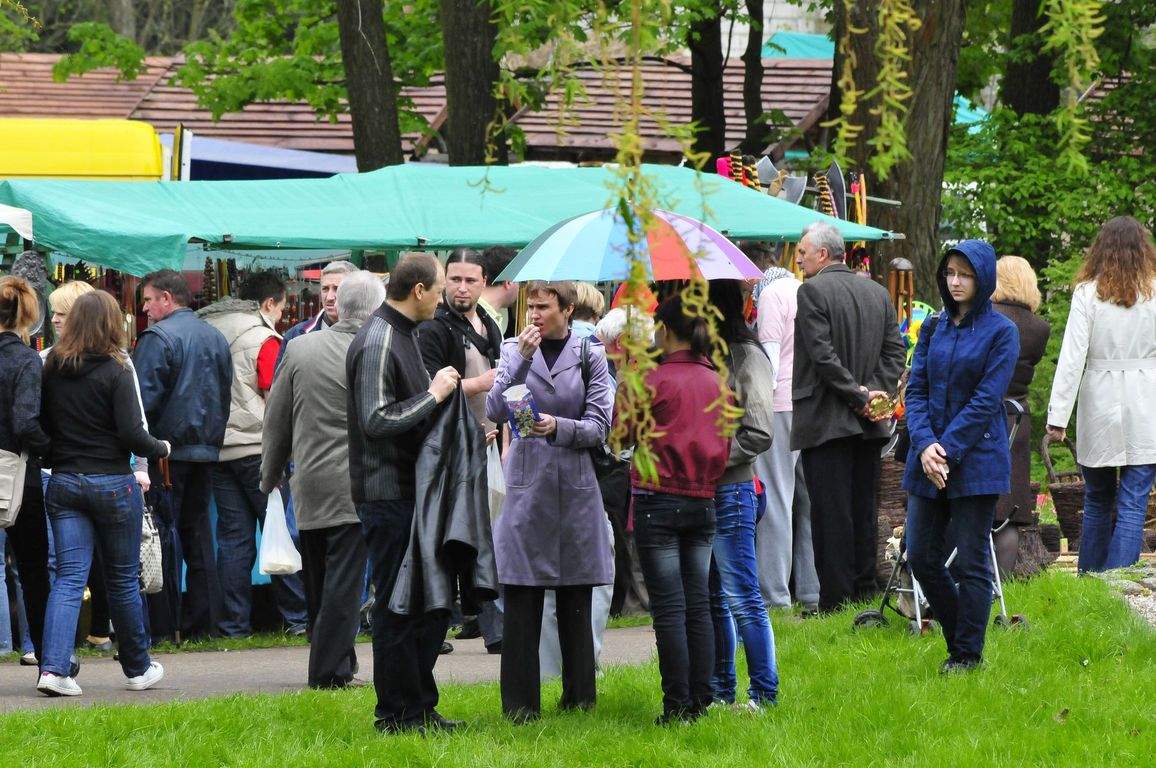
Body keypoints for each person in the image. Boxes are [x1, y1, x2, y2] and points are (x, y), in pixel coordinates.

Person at [485, 280, 613, 723]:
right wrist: (520, 359)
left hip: (575, 482)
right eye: (531, 306)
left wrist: (558, 427)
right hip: (527, 484)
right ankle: (520, 707)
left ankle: (580, 700)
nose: (535, 315)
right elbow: (494, 410)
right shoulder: (512, 349)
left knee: (576, 592)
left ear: (568, 309)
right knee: (522, 594)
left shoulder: (589, 353)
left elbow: (600, 425)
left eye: (543, 307)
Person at [347, 253, 462, 734]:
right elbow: (376, 419)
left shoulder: (405, 333)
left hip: (411, 492)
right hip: (387, 494)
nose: (443, 296)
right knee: (398, 607)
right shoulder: (378, 338)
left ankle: (418, 707)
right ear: (418, 290)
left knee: (423, 605)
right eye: (440, 287)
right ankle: (396, 715)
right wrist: (434, 395)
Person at [38, 290, 172, 696]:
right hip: (113, 483)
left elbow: (41, 426)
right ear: (112, 324)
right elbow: (133, 433)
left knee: (68, 577)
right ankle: (137, 667)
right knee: (122, 580)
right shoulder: (117, 369)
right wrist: (161, 448)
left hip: (64, 481)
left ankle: (53, 670)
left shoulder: (52, 366)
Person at [262, 271, 384, 688]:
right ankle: (328, 672)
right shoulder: (375, 348)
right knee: (344, 584)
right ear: (376, 308)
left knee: (318, 580)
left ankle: (336, 661)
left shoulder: (299, 347)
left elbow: (276, 419)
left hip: (309, 480)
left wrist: (270, 474)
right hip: (356, 483)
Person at [903, 240, 1019, 673]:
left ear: (983, 279)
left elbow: (986, 400)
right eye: (950, 273)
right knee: (921, 556)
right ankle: (962, 642)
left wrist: (946, 451)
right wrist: (925, 446)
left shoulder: (1002, 332)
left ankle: (967, 656)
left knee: (971, 562)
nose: (955, 282)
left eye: (965, 275)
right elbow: (916, 390)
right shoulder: (933, 326)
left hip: (976, 459)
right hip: (928, 457)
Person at [791, 222, 906, 612]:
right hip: (869, 423)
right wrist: (874, 393)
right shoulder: (877, 293)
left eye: (803, 251)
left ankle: (836, 601)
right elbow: (896, 352)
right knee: (863, 509)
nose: (799, 258)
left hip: (827, 420)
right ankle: (863, 590)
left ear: (823, 254)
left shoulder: (811, 291)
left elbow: (821, 356)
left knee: (830, 513)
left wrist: (859, 395)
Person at [627, 294, 731, 724]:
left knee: (670, 609)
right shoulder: (717, 381)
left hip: (658, 499)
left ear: (665, 330)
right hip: (703, 500)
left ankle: (676, 706)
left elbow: (621, 432)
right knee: (698, 604)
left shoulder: (654, 379)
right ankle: (702, 700)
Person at [198, 271, 307, 637]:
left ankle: (233, 624)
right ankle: (297, 617)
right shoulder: (264, 339)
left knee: (233, 540)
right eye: (282, 309)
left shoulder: (208, 329)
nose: (281, 317)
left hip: (219, 450)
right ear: (268, 303)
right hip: (259, 449)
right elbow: (276, 398)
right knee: (280, 531)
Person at [1047, 216, 1156, 572]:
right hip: (1146, 403)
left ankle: (1091, 582)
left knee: (1097, 499)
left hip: (1100, 402)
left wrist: (1058, 416)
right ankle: (1117, 587)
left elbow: (1072, 357)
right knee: (1133, 503)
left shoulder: (1087, 293)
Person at [133, 269, 232, 640]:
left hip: (165, 453)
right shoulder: (215, 336)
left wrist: (143, 447)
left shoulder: (157, 338)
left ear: (166, 298)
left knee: (162, 536)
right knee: (198, 535)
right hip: (205, 450)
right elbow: (225, 393)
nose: (144, 308)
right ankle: (202, 625)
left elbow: (141, 404)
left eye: (148, 300)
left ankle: (163, 625)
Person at [417, 248, 504, 654]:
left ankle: (487, 624)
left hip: (489, 446)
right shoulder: (434, 329)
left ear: (484, 282)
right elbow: (429, 391)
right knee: (455, 539)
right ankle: (457, 627)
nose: (462, 288)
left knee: (483, 536)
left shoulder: (489, 324)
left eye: (470, 280)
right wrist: (482, 383)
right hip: (450, 452)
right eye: (455, 279)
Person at [705, 279, 777, 710]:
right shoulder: (707, 356)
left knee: (743, 597)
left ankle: (764, 693)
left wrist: (710, 458)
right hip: (704, 490)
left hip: (733, 489)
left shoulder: (747, 356)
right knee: (715, 597)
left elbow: (759, 431)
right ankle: (721, 690)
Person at [753, 254, 820, 613]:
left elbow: (770, 359)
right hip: (810, 404)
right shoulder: (803, 289)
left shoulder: (770, 296)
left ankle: (774, 596)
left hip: (779, 404)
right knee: (808, 502)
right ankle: (811, 592)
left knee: (776, 500)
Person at [0, 276, 53, 669]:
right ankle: (49, 658)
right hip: (19, 474)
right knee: (34, 571)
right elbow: (25, 423)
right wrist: (53, 449)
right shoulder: (25, 360)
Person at [991, 256, 1051, 575]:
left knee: (976, 505)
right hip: (1017, 419)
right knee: (1009, 510)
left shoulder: (986, 318)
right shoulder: (1039, 328)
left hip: (984, 415)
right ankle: (1002, 586)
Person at [594, 308, 655, 617]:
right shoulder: (650, 368)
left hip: (638, 470)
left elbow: (620, 434)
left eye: (605, 344)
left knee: (635, 540)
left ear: (620, 343)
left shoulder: (633, 376)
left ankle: (637, 604)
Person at [276, 260, 358, 369]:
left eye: (337, 289)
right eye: (325, 289)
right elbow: (280, 379)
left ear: (354, 292)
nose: (329, 297)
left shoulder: (368, 335)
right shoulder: (295, 335)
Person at [478, 246, 520, 337]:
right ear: (509, 282)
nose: (519, 288)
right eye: (519, 281)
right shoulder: (479, 319)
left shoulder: (479, 312)